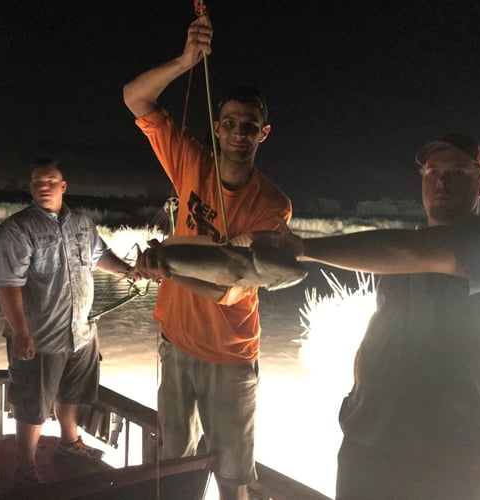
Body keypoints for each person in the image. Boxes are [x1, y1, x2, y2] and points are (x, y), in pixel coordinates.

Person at [254, 134, 480, 500]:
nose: (441, 182)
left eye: (457, 172)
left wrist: (303, 247)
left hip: (456, 456)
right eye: (431, 172)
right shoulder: (399, 254)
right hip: (371, 442)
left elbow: (414, 250)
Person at [123, 14, 292, 500]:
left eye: (250, 126)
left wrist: (165, 264)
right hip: (175, 341)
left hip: (230, 354)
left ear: (264, 133)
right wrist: (184, 61)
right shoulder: (192, 162)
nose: (240, 132)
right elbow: (136, 98)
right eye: (231, 123)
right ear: (217, 128)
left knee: (234, 476)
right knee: (173, 464)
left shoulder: (272, 205)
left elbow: (233, 285)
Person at [0, 160, 134, 485]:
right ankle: (25, 468)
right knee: (33, 403)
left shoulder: (83, 224)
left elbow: (100, 257)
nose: (44, 186)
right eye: (37, 181)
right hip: (39, 335)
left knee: (71, 393)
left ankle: (69, 443)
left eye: (51, 180)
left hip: (81, 333)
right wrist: (20, 331)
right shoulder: (17, 229)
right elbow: (7, 284)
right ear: (31, 188)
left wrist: (129, 270)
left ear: (63, 186)